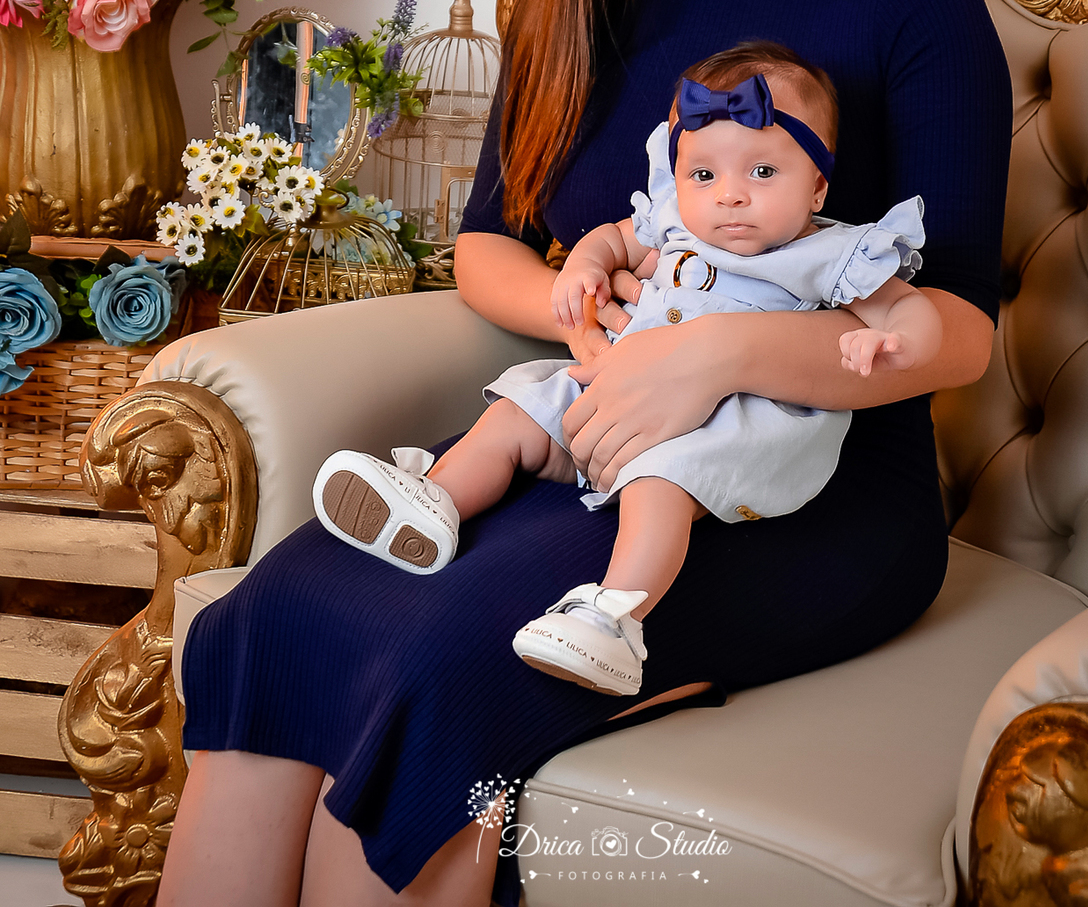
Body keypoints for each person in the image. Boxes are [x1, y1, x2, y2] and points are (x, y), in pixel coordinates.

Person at [160, 0, 1011, 907]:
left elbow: (960, 326)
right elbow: (490, 246)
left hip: (797, 488)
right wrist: (590, 320)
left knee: (439, 666)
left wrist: (714, 352)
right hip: (598, 433)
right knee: (284, 612)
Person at [310, 45, 939, 700]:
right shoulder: (673, 227)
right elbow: (610, 239)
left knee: (660, 487)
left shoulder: (828, 251)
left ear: (817, 185)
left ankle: (612, 619)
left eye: (761, 170)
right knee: (522, 407)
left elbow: (910, 311)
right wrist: (583, 268)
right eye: (703, 175)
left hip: (721, 430)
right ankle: (437, 500)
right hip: (611, 397)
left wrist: (891, 344)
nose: (730, 195)